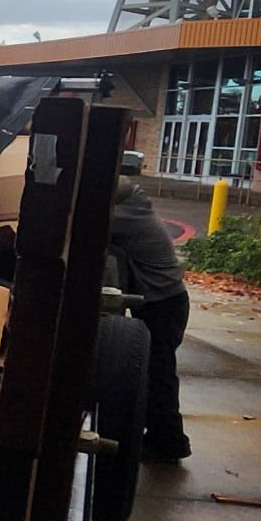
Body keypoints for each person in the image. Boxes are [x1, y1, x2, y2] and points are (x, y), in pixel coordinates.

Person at [108, 174, 191, 462]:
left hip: (164, 303)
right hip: (165, 301)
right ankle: (161, 436)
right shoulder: (133, 202)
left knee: (159, 373)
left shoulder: (126, 212)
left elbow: (85, 225)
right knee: (154, 372)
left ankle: (171, 442)